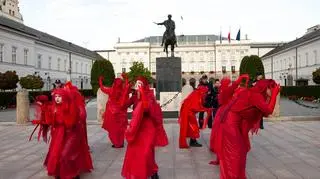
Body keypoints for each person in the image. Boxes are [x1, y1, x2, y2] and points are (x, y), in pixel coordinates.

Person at [215, 79, 280, 179]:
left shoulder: (256, 94)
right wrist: (275, 94)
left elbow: (266, 113)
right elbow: (269, 110)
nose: (273, 90)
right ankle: (232, 176)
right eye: (272, 88)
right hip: (231, 122)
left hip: (235, 122)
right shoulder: (256, 96)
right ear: (266, 88)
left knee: (240, 151)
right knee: (236, 152)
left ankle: (237, 175)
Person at [30, 85, 93, 179]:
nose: (57, 99)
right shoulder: (53, 108)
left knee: (67, 154)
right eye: (55, 97)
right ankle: (60, 173)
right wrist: (44, 109)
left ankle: (73, 173)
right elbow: (50, 121)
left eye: (59, 97)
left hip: (71, 134)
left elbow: (71, 122)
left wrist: (63, 116)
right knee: (57, 154)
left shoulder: (71, 107)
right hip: (58, 134)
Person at [122, 76, 168, 179]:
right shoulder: (134, 97)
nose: (137, 86)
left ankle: (153, 172)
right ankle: (141, 172)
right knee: (136, 153)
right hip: (137, 129)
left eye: (140, 84)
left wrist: (142, 94)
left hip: (148, 128)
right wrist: (126, 90)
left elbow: (147, 109)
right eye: (136, 84)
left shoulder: (149, 96)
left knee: (147, 152)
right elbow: (122, 106)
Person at [209, 74, 249, 165]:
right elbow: (235, 86)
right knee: (228, 134)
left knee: (220, 135)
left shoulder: (222, 90)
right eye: (229, 82)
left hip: (221, 112)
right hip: (227, 112)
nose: (230, 83)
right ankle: (229, 154)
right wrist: (241, 78)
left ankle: (220, 156)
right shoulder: (227, 90)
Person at [99, 74, 130, 148]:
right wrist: (126, 79)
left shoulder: (111, 91)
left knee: (113, 129)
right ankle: (121, 142)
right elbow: (127, 87)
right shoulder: (122, 91)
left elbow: (102, 88)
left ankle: (117, 143)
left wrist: (100, 81)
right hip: (120, 112)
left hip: (112, 113)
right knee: (120, 128)